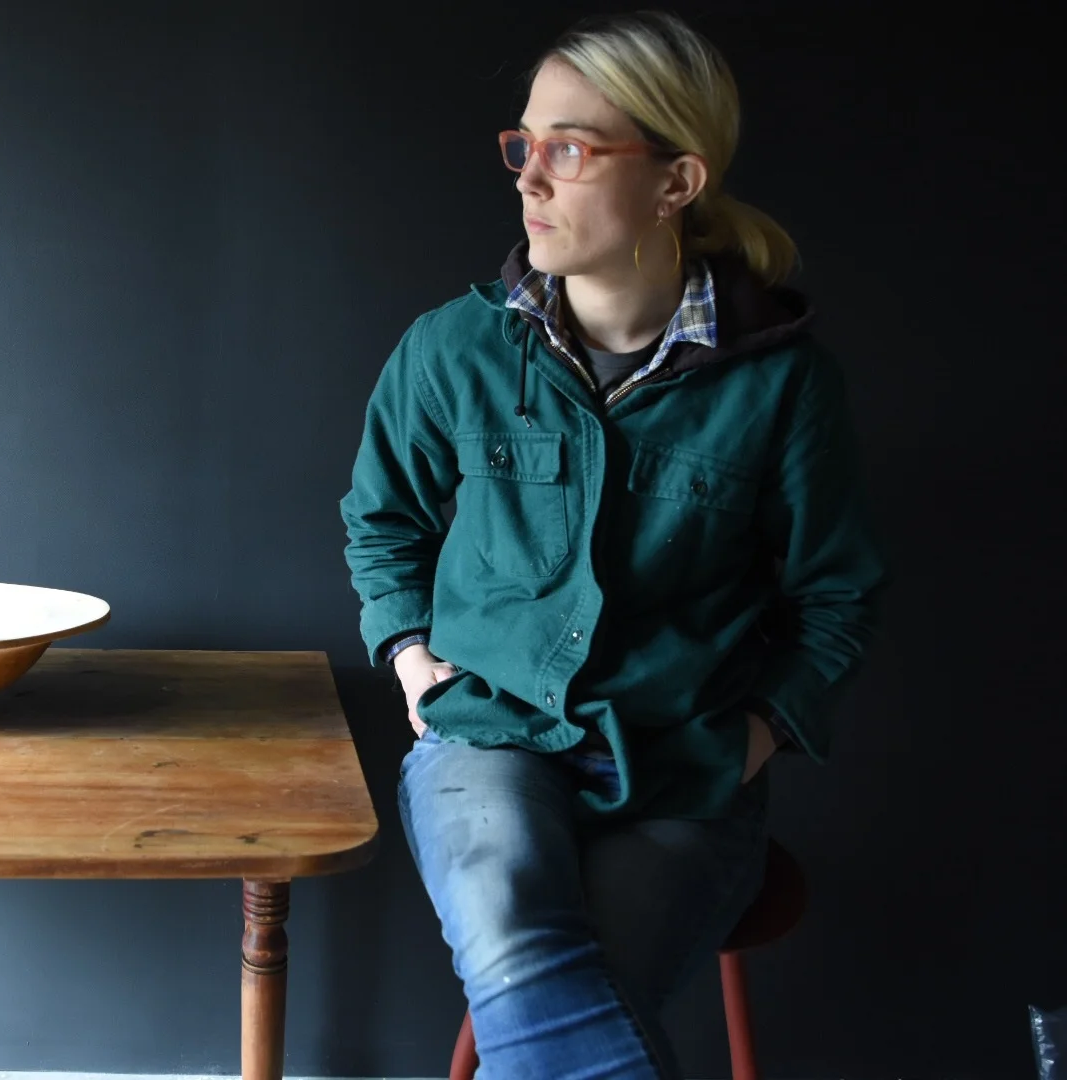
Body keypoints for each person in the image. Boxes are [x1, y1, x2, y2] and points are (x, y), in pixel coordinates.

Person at [338, 12, 890, 1078]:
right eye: (524, 143)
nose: (528, 177)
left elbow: (839, 596)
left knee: (571, 988)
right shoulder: (453, 348)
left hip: (682, 768)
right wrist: (411, 658)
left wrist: (758, 736)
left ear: (676, 181)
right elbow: (382, 520)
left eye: (570, 148)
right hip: (488, 735)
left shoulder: (783, 385)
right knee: (515, 939)